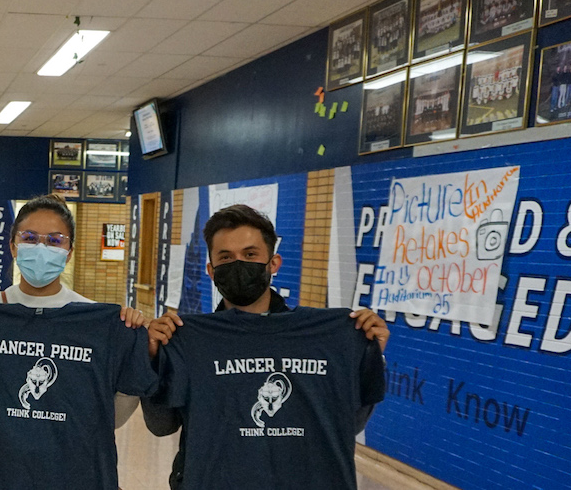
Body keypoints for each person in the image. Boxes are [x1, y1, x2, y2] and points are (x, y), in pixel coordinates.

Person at [141, 204, 389, 489]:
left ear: (273, 263)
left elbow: (348, 423)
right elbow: (161, 426)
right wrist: (154, 360)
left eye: (249, 254)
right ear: (211, 270)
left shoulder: (323, 337)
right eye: (226, 257)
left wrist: (369, 355)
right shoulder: (189, 337)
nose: (238, 264)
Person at [0, 194, 149, 422]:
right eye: (30, 238)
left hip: (67, 456)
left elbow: (115, 417)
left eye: (55, 241)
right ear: (13, 247)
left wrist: (131, 341)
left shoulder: (95, 320)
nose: (41, 248)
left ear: (69, 253)